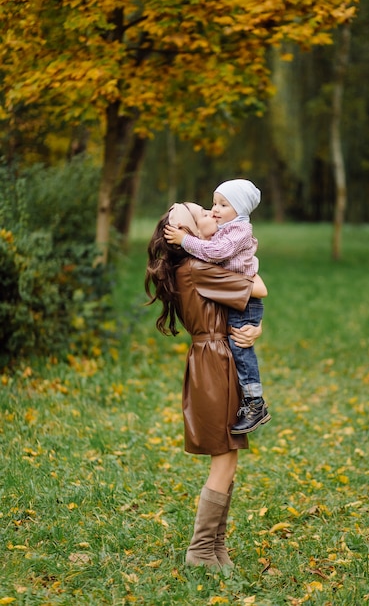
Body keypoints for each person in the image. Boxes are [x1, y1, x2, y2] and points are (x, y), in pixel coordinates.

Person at [145, 202, 267, 570]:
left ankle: (217, 549)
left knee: (227, 455)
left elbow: (238, 304)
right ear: (188, 235)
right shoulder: (198, 268)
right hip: (215, 362)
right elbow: (258, 286)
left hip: (214, 355)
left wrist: (254, 328)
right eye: (203, 212)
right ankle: (201, 551)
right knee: (225, 458)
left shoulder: (193, 266)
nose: (212, 213)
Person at [164, 180, 270, 434]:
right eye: (209, 207)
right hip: (216, 347)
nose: (213, 210)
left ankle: (255, 402)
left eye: (222, 205)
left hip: (239, 314)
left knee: (242, 352)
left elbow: (257, 288)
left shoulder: (235, 232)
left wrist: (185, 240)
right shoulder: (198, 268)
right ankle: (254, 402)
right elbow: (253, 288)